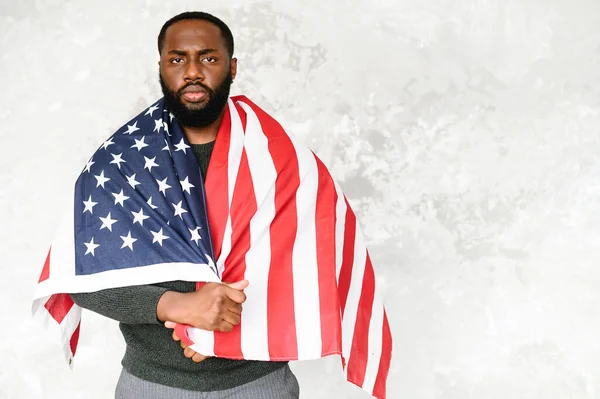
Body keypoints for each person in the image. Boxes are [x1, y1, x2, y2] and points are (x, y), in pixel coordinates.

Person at [70, 11, 301, 399]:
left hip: (259, 383)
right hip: (152, 385)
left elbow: (315, 264)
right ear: (161, 66)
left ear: (232, 67)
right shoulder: (120, 164)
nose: (192, 71)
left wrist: (220, 336)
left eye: (209, 58)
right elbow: (82, 278)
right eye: (177, 59)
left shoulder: (278, 158)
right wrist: (177, 306)